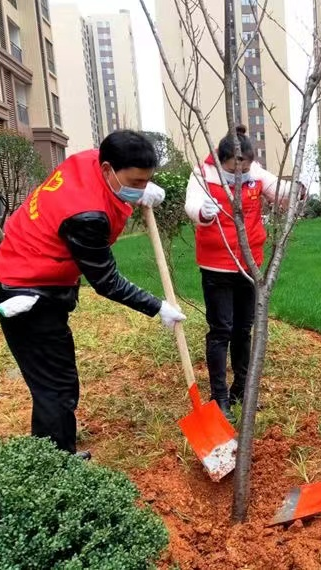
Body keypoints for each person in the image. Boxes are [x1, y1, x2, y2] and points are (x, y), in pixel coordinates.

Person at [0, 130, 186, 457]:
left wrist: (140, 189)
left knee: (55, 383)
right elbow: (107, 281)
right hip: (26, 294)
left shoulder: (90, 160)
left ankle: (57, 453)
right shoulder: (86, 215)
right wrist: (157, 306)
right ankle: (56, 464)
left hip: (28, 270)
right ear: (107, 169)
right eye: (136, 181)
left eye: (147, 180)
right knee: (55, 387)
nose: (140, 187)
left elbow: (112, 191)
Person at [185, 125, 302, 421]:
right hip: (216, 265)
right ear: (222, 160)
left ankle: (241, 389)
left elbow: (280, 191)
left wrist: (297, 190)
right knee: (221, 329)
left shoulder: (255, 173)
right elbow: (192, 205)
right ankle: (219, 397)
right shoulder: (203, 174)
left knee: (243, 329)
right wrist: (203, 212)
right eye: (234, 169)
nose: (240, 175)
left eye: (245, 168)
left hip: (250, 266)